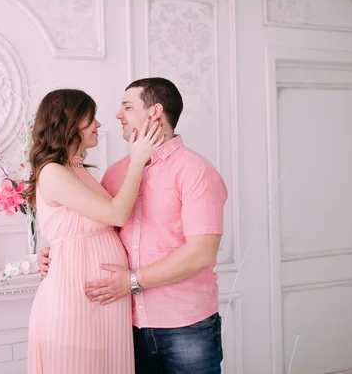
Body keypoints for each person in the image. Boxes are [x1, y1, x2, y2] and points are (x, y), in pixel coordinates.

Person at [37, 78, 228, 374]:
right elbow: (96, 228)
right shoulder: (115, 173)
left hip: (184, 323)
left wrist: (132, 281)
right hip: (126, 322)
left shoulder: (196, 171)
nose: (116, 116)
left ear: (155, 112)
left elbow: (201, 253)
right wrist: (56, 252)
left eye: (127, 106)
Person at [25, 88, 165, 374]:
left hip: (100, 301)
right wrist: (137, 160)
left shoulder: (78, 169)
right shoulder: (53, 172)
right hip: (75, 300)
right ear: (69, 123)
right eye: (91, 119)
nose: (99, 125)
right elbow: (116, 213)